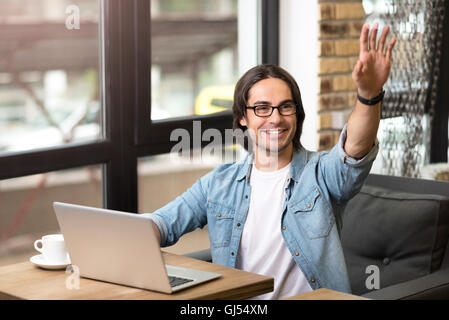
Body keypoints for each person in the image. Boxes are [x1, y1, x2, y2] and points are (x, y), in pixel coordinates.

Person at [144, 22, 396, 299]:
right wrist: (138, 236)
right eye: (262, 108)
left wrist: (369, 95)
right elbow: (163, 223)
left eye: (285, 107)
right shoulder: (218, 183)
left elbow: (355, 149)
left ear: (297, 114)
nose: (275, 118)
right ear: (243, 117)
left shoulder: (322, 174)